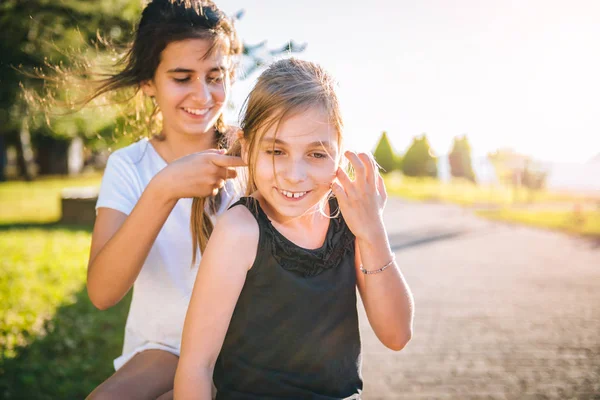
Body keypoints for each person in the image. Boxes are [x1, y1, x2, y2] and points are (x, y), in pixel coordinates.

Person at [174, 58, 415, 399]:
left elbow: (397, 334)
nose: (294, 174)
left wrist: (372, 231)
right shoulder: (240, 231)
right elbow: (196, 365)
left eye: (316, 155)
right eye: (276, 151)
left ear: (339, 151)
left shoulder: (351, 220)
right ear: (247, 146)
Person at [84, 1, 245, 399]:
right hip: (161, 350)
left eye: (214, 76)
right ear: (148, 82)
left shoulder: (251, 157)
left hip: (244, 347)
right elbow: (103, 293)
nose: (202, 94)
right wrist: (164, 188)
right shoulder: (130, 166)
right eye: (181, 77)